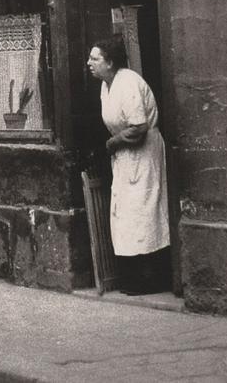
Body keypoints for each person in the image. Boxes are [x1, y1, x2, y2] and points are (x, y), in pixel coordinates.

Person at [87, 34, 170, 295]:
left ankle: (153, 278)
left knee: (144, 212)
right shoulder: (106, 85)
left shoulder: (129, 82)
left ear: (110, 62)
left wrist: (113, 143)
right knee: (125, 213)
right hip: (124, 157)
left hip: (143, 154)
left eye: (95, 58)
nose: (89, 63)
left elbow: (139, 127)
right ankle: (133, 277)